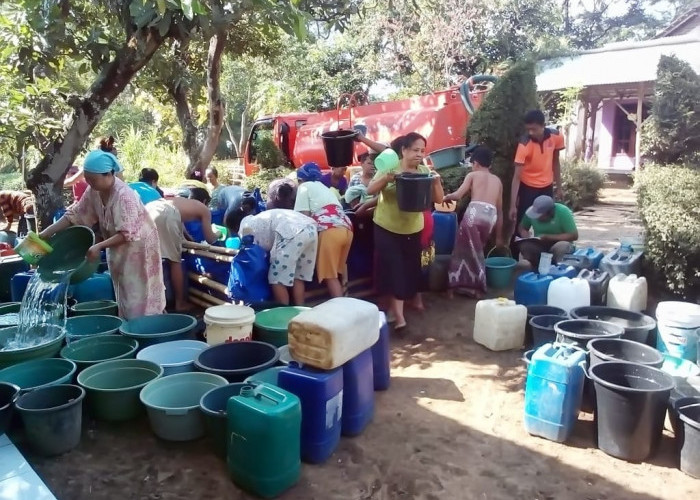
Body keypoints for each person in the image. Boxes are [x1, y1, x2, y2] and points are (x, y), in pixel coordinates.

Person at [39, 150, 165, 320]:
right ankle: (132, 325)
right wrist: (48, 232)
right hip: (119, 249)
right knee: (124, 292)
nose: (90, 183)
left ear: (108, 175)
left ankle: (148, 328)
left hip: (140, 249)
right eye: (87, 179)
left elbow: (127, 233)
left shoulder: (124, 196)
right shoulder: (94, 191)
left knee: (141, 294)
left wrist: (98, 246)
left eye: (93, 179)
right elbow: (75, 214)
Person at [366, 132, 444, 331]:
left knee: (409, 270)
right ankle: (399, 318)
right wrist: (387, 179)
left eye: (422, 151)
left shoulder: (424, 170)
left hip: (412, 228)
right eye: (416, 150)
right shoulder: (390, 167)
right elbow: (370, 190)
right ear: (404, 150)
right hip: (387, 227)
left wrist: (436, 182)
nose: (419, 154)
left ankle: (396, 309)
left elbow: (439, 200)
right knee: (394, 269)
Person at [225, 203, 317, 306]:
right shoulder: (257, 218)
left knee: (276, 279)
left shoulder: (244, 228)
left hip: (290, 232)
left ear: (235, 227)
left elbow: (252, 253)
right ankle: (300, 309)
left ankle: (283, 313)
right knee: (298, 276)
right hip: (310, 228)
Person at [442, 146, 503, 298]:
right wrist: (499, 236)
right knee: (477, 249)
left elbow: (457, 195)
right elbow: (500, 211)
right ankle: (474, 289)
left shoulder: (473, 175)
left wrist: (445, 197)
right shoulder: (498, 181)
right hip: (490, 216)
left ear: (475, 163)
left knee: (461, 249)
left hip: (474, 213)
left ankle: (454, 287)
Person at [147, 196, 222, 311]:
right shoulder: (204, 210)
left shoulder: (178, 201)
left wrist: (188, 238)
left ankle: (151, 302)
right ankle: (180, 303)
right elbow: (210, 239)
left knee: (151, 257)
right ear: (205, 201)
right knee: (175, 261)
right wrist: (218, 234)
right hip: (165, 214)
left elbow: (178, 222)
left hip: (149, 210)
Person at [294, 162, 354, 298]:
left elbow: (304, 218)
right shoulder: (324, 187)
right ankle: (345, 295)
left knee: (330, 276)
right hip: (347, 229)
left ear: (301, 179)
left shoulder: (304, 187)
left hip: (330, 231)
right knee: (338, 270)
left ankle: (341, 310)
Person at [510, 110, 565, 229]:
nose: (530, 132)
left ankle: (544, 246)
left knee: (547, 220)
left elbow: (556, 162)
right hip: (527, 187)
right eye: (528, 129)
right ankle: (517, 247)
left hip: (547, 186)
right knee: (522, 223)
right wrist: (512, 205)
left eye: (534, 129)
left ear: (543, 126)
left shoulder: (556, 136)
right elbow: (517, 177)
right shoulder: (524, 144)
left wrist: (559, 188)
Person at [517, 195, 578, 268]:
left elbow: (574, 235)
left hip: (559, 244)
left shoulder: (563, 212)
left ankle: (558, 269)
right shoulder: (531, 212)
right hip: (540, 244)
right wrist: (524, 233)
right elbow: (522, 227)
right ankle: (535, 267)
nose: (537, 217)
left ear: (550, 213)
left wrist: (549, 237)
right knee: (525, 246)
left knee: (562, 246)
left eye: (540, 215)